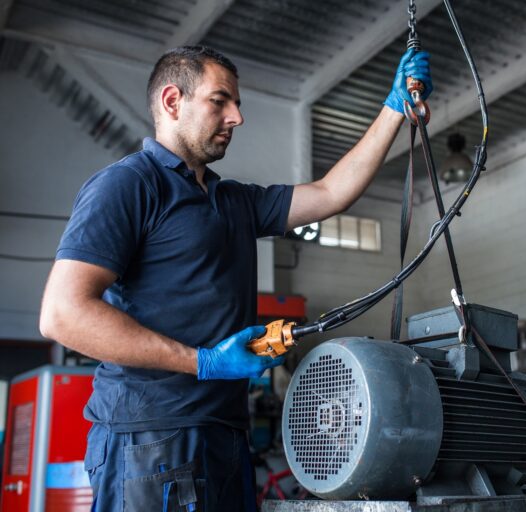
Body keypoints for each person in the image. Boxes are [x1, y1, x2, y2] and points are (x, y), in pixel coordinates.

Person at [39, 45, 431, 511]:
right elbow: (63, 315)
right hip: (150, 438)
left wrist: (392, 109)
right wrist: (202, 362)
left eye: (237, 104)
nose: (237, 117)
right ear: (172, 101)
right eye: (220, 101)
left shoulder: (235, 201)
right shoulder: (128, 185)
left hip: (224, 433)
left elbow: (331, 193)